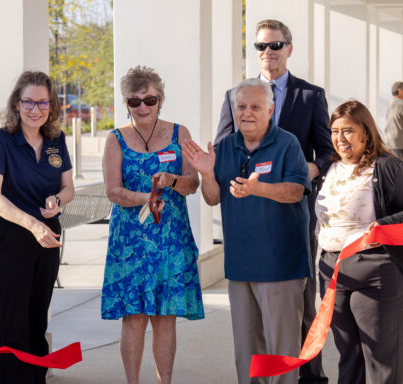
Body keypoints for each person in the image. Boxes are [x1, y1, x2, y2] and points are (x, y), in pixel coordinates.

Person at [214, 19, 332, 384]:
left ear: (289, 49)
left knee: (301, 303)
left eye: (276, 46)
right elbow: (222, 150)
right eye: (261, 46)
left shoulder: (310, 95)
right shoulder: (237, 95)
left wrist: (296, 173)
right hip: (248, 220)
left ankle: (310, 374)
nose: (268, 52)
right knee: (254, 324)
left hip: (292, 216)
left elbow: (327, 153)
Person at [184, 78, 312, 384]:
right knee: (247, 351)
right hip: (240, 266)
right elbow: (213, 198)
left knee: (281, 352)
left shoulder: (287, 144)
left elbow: (295, 191)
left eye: (255, 106)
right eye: (241, 107)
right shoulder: (226, 146)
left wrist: (258, 189)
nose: (247, 113)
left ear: (271, 109)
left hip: (281, 266)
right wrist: (206, 175)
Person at [101, 65, 204, 384]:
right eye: (135, 101)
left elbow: (193, 184)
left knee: (165, 317)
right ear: (126, 103)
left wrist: (172, 180)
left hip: (171, 241)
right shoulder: (115, 138)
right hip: (130, 243)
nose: (143, 107)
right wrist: (144, 197)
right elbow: (113, 191)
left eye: (150, 99)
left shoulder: (180, 134)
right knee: (133, 318)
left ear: (161, 100)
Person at [316, 100, 403, 384]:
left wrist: (384, 225)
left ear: (365, 132)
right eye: (335, 131)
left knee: (380, 361)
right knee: (349, 356)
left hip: (379, 274)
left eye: (348, 131)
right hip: (334, 274)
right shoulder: (330, 168)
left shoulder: (389, 168)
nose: (340, 138)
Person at [0, 71, 74, 384]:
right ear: (17, 104)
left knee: (37, 319)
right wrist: (32, 223)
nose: (36, 109)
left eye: (43, 102)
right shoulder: (1, 141)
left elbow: (68, 188)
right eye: (29, 102)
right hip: (10, 239)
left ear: (52, 105)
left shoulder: (56, 140)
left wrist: (57, 201)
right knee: (12, 325)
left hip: (47, 240)